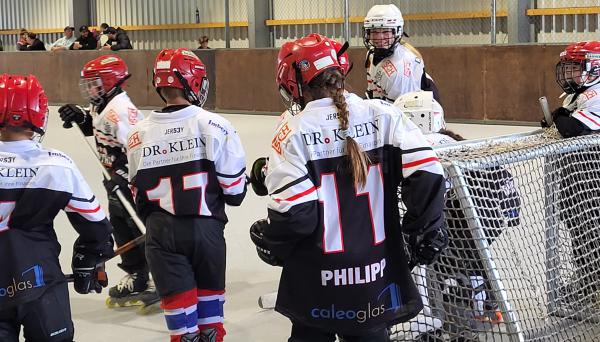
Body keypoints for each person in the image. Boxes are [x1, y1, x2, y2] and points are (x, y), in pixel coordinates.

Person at [249, 33, 447, 342]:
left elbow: (297, 216)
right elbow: (429, 175)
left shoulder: (292, 130)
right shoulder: (386, 114)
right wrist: (421, 232)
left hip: (317, 277)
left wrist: (272, 240)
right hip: (375, 274)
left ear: (293, 83)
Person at [127, 48, 247, 342]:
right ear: (193, 82)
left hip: (161, 234)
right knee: (211, 327)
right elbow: (235, 193)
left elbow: (138, 196)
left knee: (183, 332)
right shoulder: (216, 125)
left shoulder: (137, 134)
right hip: (205, 231)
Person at [0, 74, 114, 342]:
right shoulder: (57, 165)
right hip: (40, 282)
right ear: (38, 113)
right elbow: (96, 225)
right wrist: (87, 259)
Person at [57, 55, 157, 311]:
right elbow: (98, 129)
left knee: (143, 228)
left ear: (111, 82)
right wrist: (80, 118)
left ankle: (161, 276)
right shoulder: (102, 105)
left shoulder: (121, 112)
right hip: (115, 182)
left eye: (95, 83)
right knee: (121, 225)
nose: (89, 89)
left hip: (134, 183)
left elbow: (142, 151)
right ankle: (136, 273)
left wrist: (122, 178)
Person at [543, 40, 600, 301]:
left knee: (590, 225)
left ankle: (592, 281)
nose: (569, 73)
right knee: (576, 221)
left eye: (576, 68)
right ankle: (588, 279)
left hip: (591, 174)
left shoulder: (597, 94)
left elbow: (572, 128)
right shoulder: (579, 92)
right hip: (576, 173)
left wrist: (559, 118)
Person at [363, 4, 441, 103]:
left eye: (385, 31)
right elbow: (373, 94)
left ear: (397, 32)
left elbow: (399, 112)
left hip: (419, 111)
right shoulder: (371, 55)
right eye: (374, 31)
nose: (379, 37)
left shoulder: (399, 66)